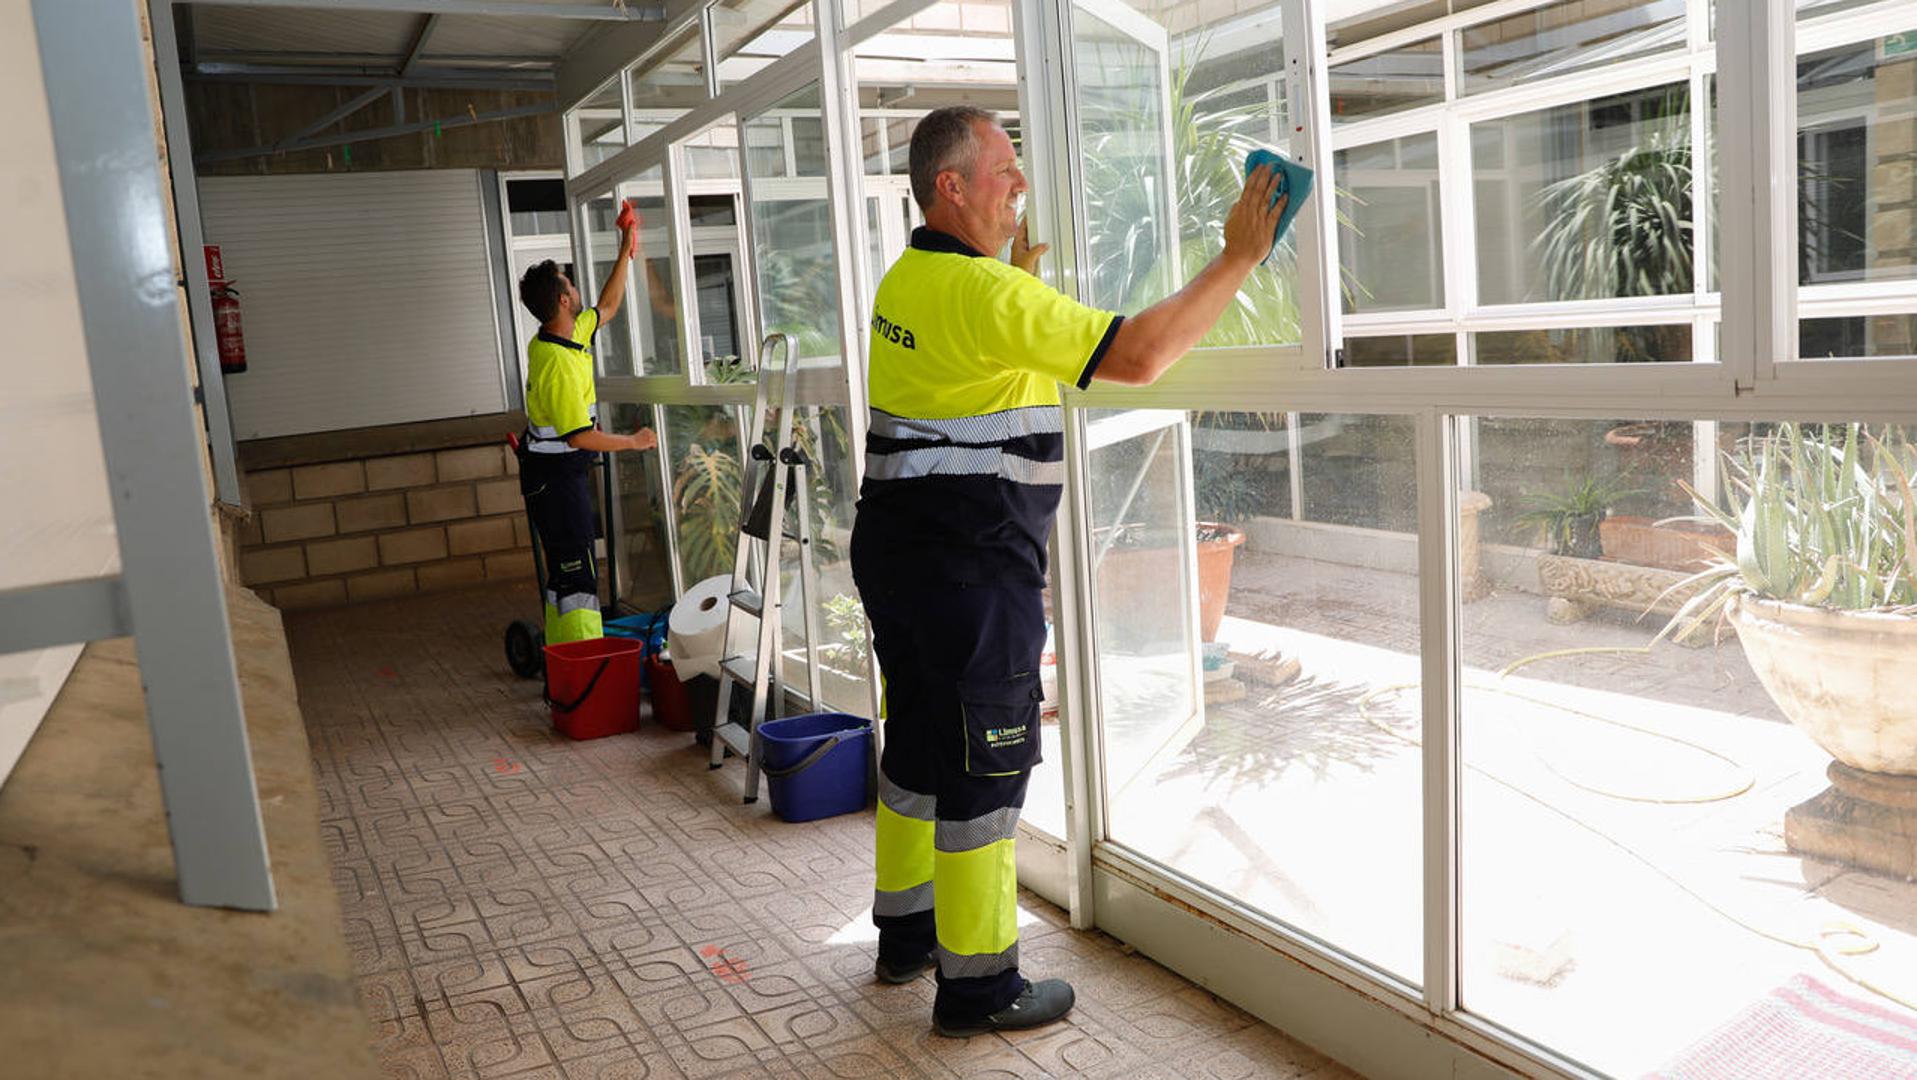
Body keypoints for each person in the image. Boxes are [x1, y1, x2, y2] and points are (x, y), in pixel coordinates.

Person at [852, 106, 1285, 1038]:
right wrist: (1239, 257)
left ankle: (904, 933)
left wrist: (1009, 290)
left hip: (900, 553)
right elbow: (1138, 355)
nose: (1018, 184)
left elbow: (964, 383)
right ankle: (977, 987)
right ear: (949, 187)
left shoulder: (910, 280)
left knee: (921, 745)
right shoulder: (987, 298)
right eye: (1002, 169)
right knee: (983, 767)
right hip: (968, 571)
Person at [515, 216, 658, 646]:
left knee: (564, 573)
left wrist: (626, 246)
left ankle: (563, 661)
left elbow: (608, 307)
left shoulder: (562, 334)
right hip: (554, 482)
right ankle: (589, 661)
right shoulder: (556, 363)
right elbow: (579, 437)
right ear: (562, 300)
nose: (578, 291)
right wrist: (633, 443)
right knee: (577, 574)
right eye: (571, 286)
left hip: (557, 476)